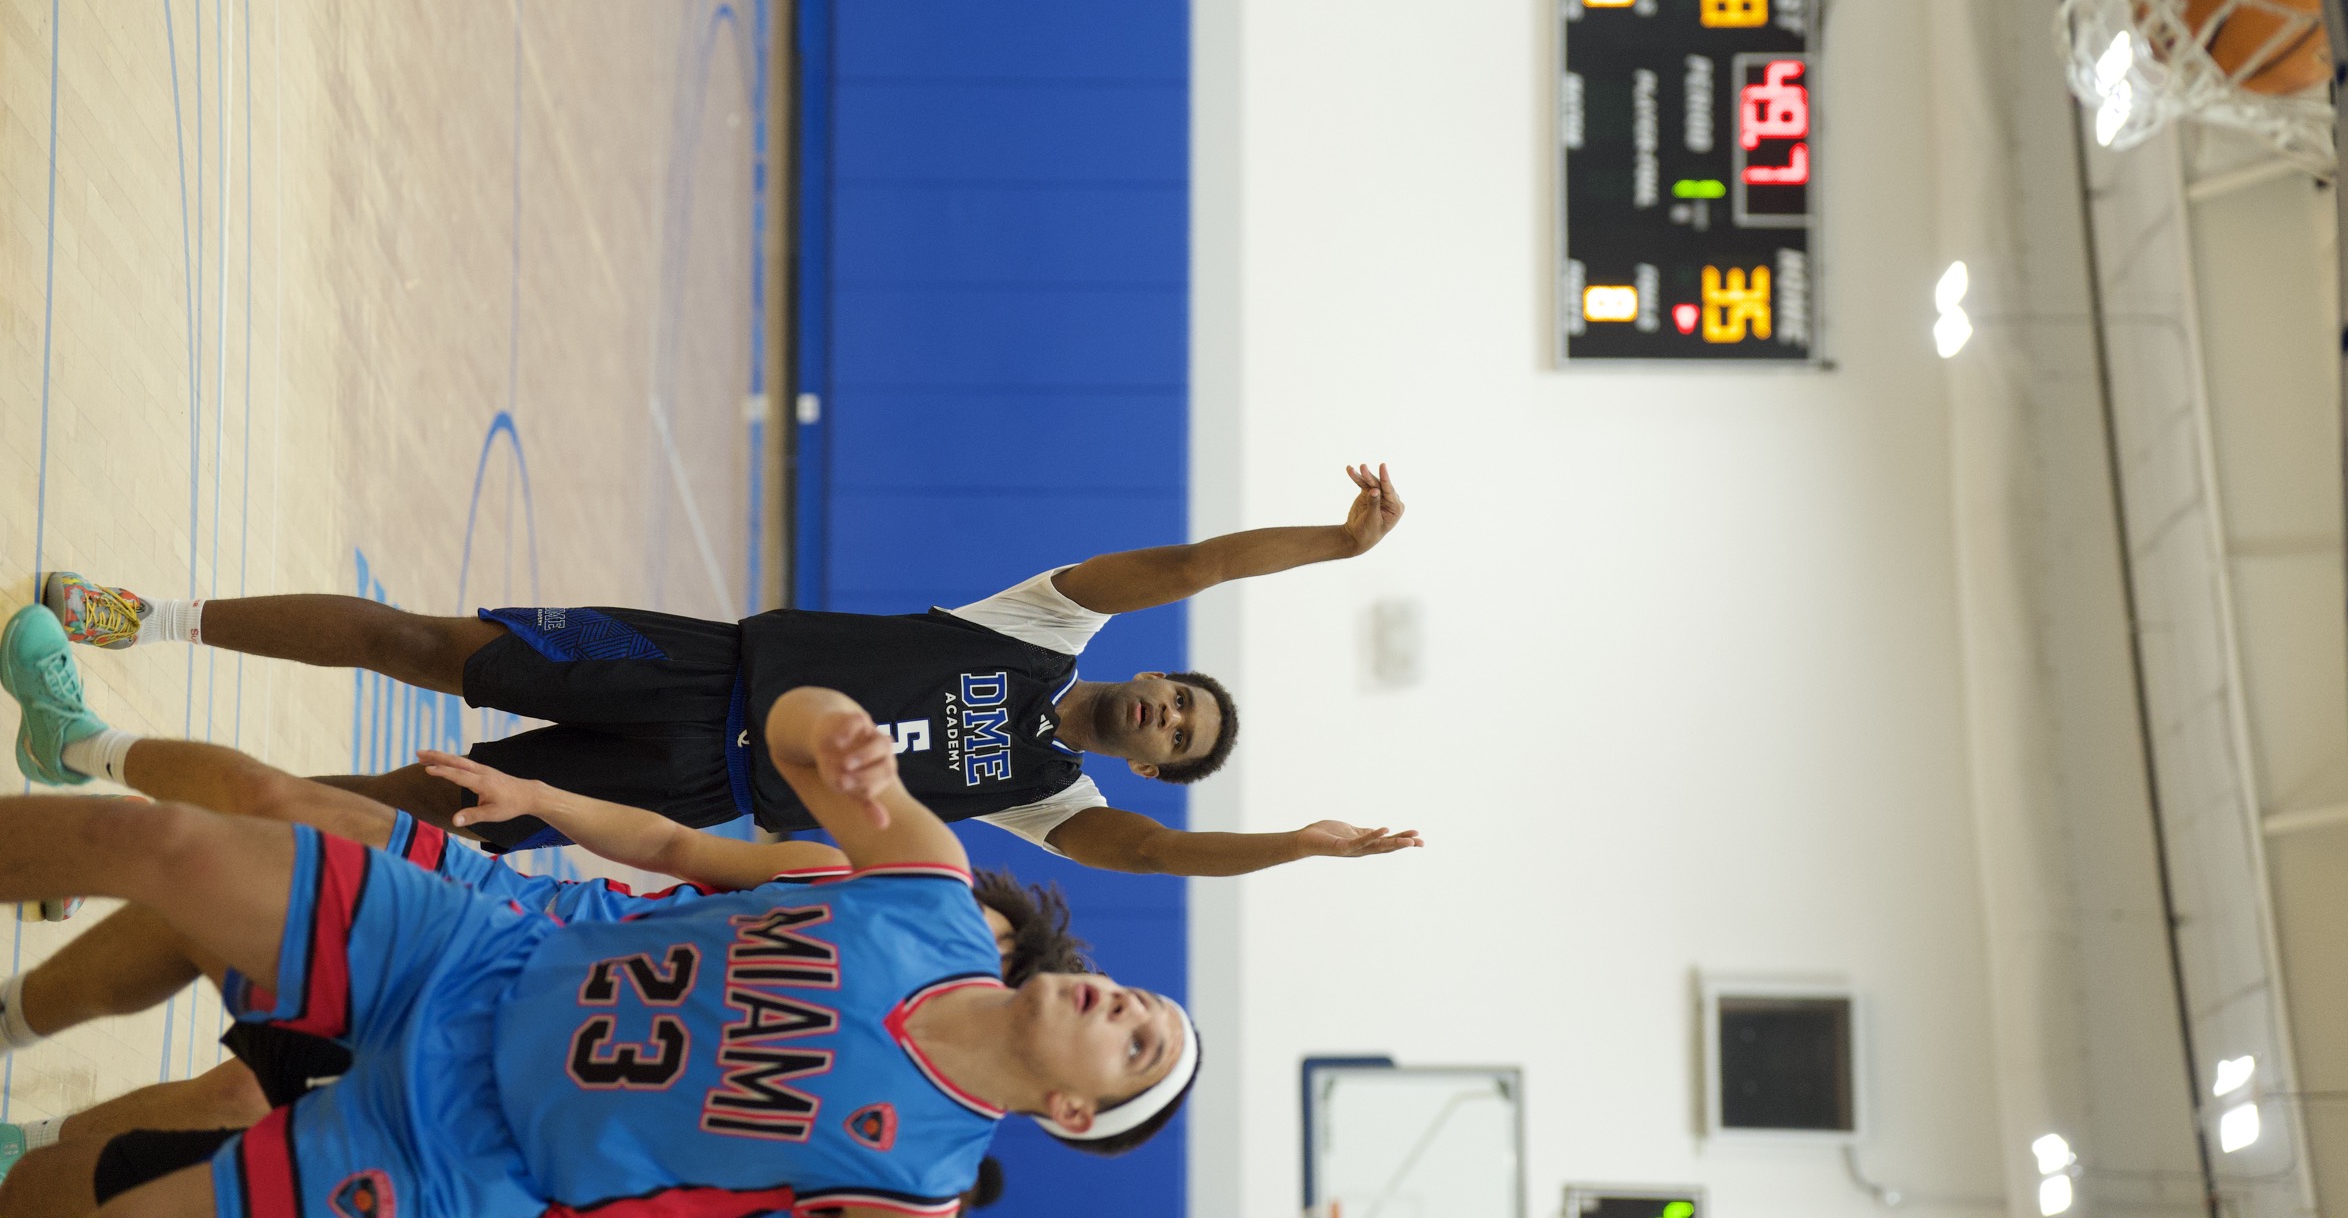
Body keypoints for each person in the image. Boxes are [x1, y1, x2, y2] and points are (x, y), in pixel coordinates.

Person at [0, 657, 1197, 1216]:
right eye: (1144, 1000)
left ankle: (28, 1140)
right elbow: (765, 758)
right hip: (489, 945)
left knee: (129, 1167)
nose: (1126, 1008)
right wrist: (835, 728)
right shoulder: (920, 892)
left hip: (470, 1160)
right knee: (194, 850)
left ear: (1073, 1114)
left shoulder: (913, 1184)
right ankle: (31, 953)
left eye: (1141, 1047)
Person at [40, 465, 1421, 878]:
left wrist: (1293, 847)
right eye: (1181, 697)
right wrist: (1328, 547)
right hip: (690, 666)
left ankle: (139, 834)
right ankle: (145, 617)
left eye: (1175, 739)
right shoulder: (1047, 624)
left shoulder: (1051, 803)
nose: (1166, 715)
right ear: (1159, 678)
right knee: (419, 642)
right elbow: (1183, 565)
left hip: (700, 782)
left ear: (1144, 768)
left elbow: (1162, 865)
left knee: (407, 811)